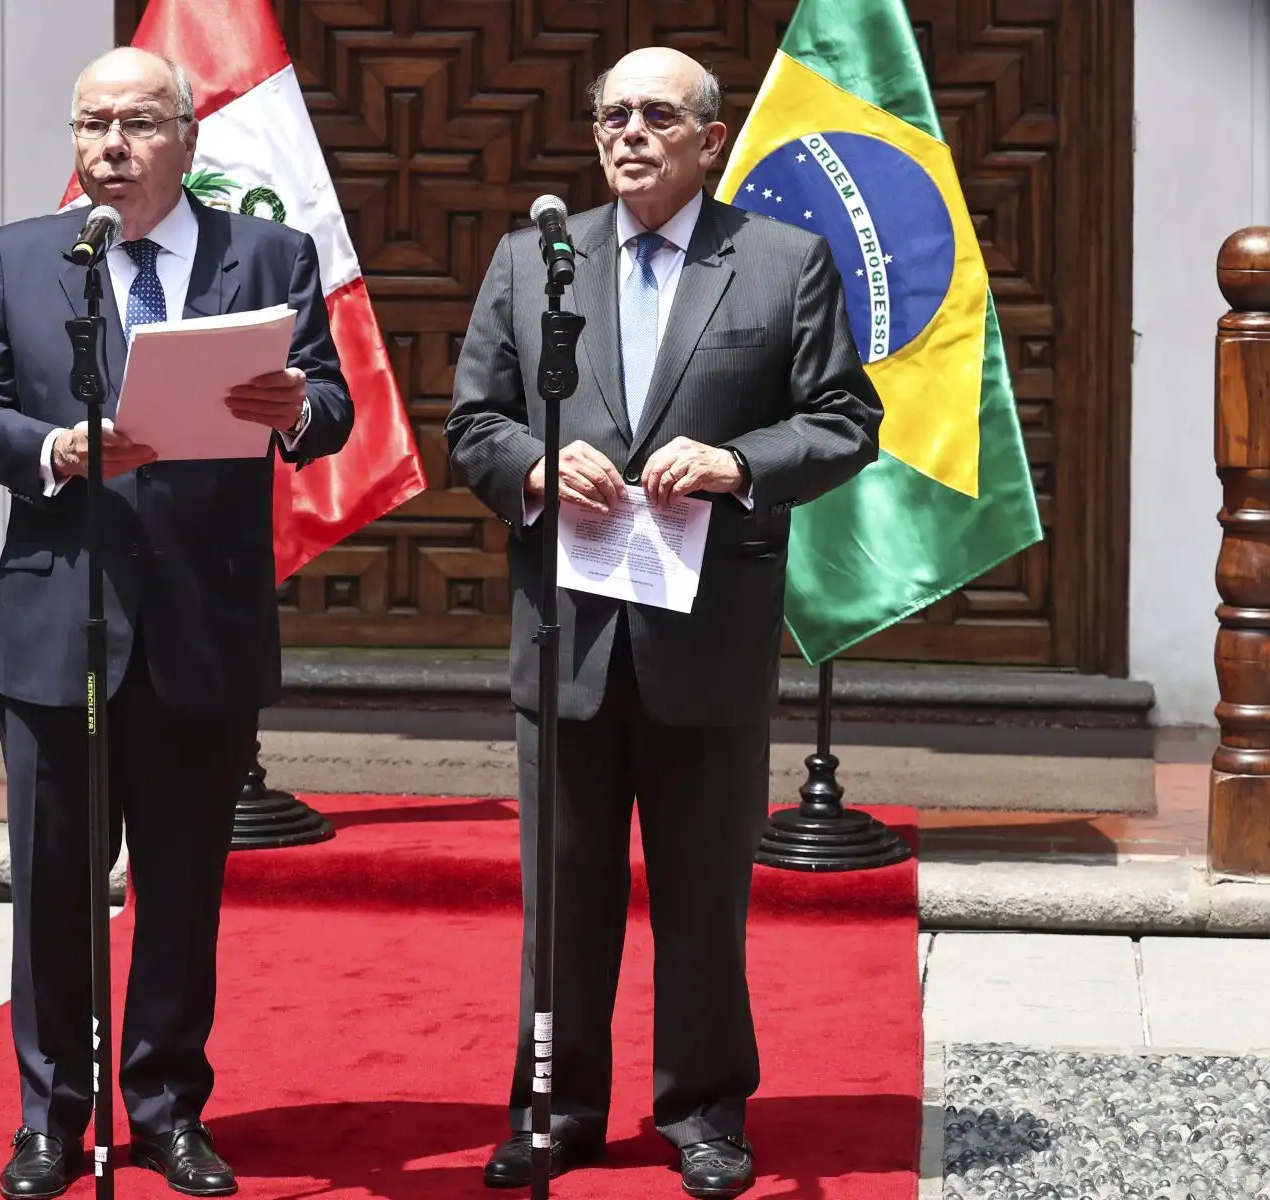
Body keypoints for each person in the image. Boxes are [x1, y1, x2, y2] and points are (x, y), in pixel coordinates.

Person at [445, 46, 882, 1198]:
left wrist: (740, 461)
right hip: (570, 638)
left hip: (709, 641)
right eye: (612, 115)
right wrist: (539, 468)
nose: (629, 132)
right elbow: (473, 426)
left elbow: (845, 419)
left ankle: (703, 1111)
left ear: (708, 134)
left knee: (700, 901)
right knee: (564, 901)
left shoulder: (781, 263)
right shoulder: (534, 261)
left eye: (655, 114)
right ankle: (554, 1108)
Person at [0, 46, 352, 1200]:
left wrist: (296, 409)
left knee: (181, 889)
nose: (108, 146)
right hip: (59, 622)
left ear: (186, 137)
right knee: (54, 890)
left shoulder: (266, 254)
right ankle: (49, 1118)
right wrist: (52, 450)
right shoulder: (23, 258)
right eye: (90, 125)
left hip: (200, 627)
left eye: (133, 124)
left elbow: (331, 402)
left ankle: (169, 1106)